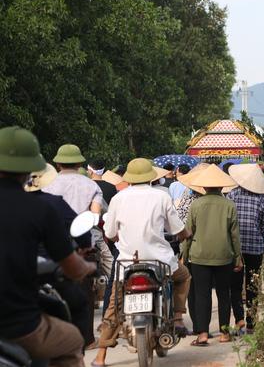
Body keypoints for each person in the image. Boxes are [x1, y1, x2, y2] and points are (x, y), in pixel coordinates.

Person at [0, 126, 96, 367]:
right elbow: (73, 267)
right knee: (73, 339)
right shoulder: (42, 209)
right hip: (19, 325)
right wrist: (87, 267)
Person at [93, 158, 192, 367]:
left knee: (114, 305)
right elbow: (176, 229)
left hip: (127, 264)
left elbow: (109, 233)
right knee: (184, 277)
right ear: (150, 177)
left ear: (128, 178)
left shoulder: (119, 199)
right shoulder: (161, 197)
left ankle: (100, 356)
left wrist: (119, 237)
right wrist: (185, 233)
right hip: (160, 262)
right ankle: (177, 318)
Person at [43, 143, 112, 349]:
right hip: (82, 246)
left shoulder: (48, 185)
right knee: (84, 294)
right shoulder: (91, 186)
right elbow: (95, 215)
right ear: (80, 163)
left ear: (57, 163)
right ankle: (87, 340)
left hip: (52, 246)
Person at [24, 163, 93, 345]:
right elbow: (80, 229)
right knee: (79, 305)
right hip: (50, 272)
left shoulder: (9, 203)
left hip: (13, 277)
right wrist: (85, 246)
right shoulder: (53, 203)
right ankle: (78, 350)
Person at [183, 164, 242, 345]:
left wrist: (184, 256)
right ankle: (224, 333)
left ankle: (203, 333)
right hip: (224, 256)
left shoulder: (196, 205)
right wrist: (238, 258)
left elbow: (188, 233)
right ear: (222, 187)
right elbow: (234, 235)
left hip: (199, 256)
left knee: (202, 294)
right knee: (224, 294)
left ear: (204, 187)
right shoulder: (229, 205)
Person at [226, 164, 264, 333]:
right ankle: (252, 322)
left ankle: (239, 319)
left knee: (235, 286)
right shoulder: (263, 200)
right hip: (255, 248)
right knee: (252, 286)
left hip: (234, 248)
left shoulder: (231, 195)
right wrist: (261, 238)